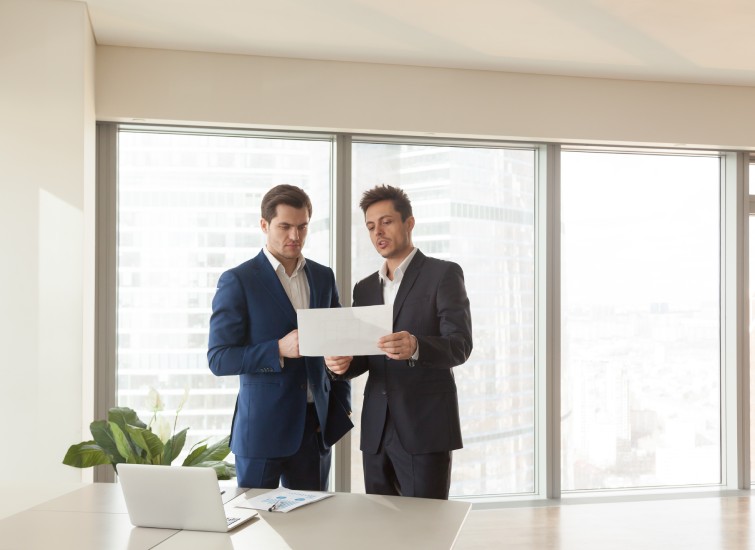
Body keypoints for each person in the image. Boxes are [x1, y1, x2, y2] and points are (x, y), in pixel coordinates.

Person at [326, 184, 472, 500]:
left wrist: (416, 346)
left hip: (425, 426)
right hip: (376, 428)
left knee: (425, 528)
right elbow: (364, 356)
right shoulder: (364, 288)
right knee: (380, 526)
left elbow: (460, 344)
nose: (378, 231)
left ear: (409, 223)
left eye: (386, 221)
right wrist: (342, 366)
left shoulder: (443, 274)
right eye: (370, 226)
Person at [208, 184, 352, 490]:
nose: (295, 237)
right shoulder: (238, 280)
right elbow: (219, 358)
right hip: (262, 431)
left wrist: (341, 403)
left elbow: (339, 342)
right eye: (285, 226)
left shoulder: (323, 277)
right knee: (255, 527)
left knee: (312, 529)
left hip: (314, 430)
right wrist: (278, 350)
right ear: (264, 225)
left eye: (302, 227)